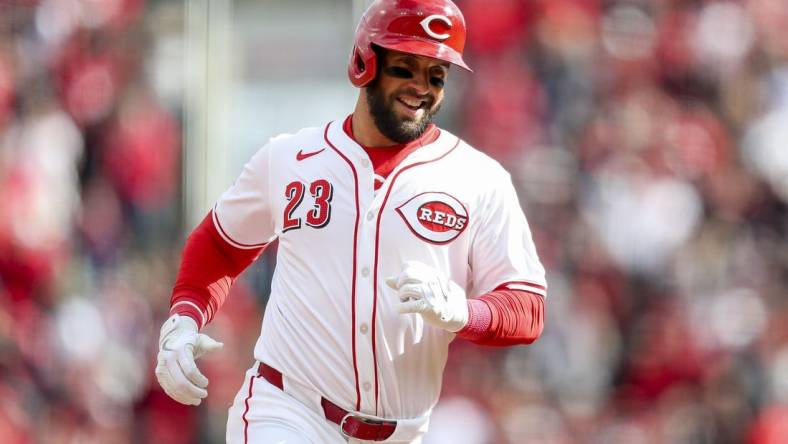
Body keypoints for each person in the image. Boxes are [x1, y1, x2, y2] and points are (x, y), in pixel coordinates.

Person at [154, 0, 547, 442]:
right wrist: (184, 319)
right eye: (406, 67)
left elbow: (527, 308)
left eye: (435, 75)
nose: (421, 87)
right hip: (288, 409)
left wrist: (464, 312)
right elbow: (221, 243)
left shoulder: (479, 178)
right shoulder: (291, 158)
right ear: (365, 61)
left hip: (404, 430)